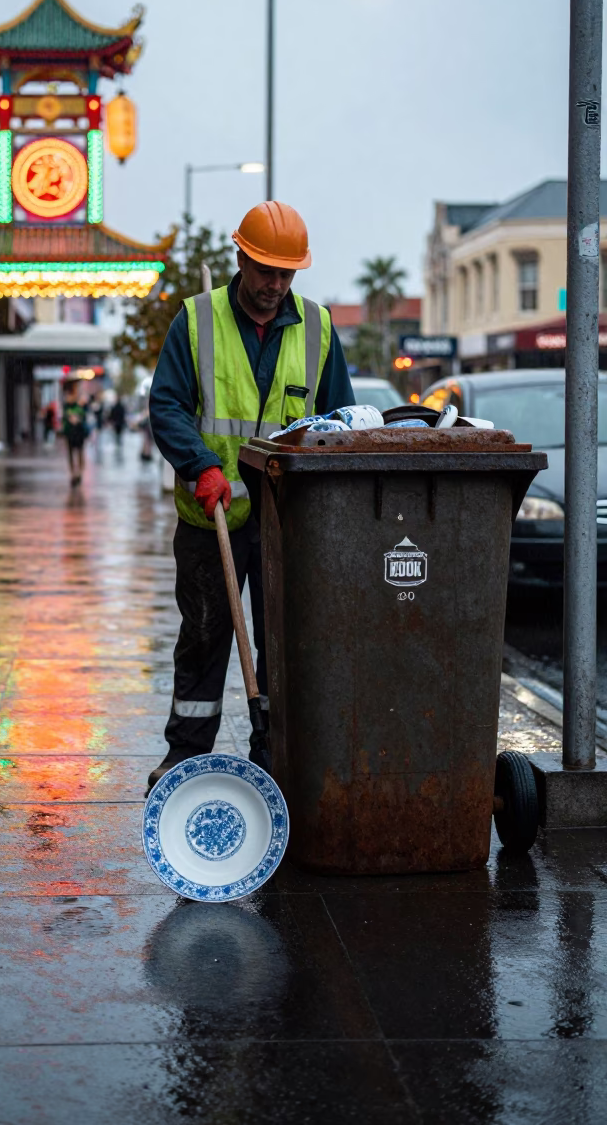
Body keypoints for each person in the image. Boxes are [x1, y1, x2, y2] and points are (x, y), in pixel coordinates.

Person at [147, 201, 355, 789]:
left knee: (284, 648)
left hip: (288, 524)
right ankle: (184, 758)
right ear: (240, 256)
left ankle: (274, 759)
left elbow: (341, 419)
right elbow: (167, 406)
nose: (275, 285)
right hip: (211, 515)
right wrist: (200, 464)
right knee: (206, 638)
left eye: (287, 273)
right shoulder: (196, 320)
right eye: (266, 270)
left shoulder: (316, 328)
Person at [62, 384, 87, 485]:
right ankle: (73, 473)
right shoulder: (65, 408)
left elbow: (82, 419)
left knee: (79, 453)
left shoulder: (79, 407)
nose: (69, 397)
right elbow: (65, 421)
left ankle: (79, 473)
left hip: (78, 434)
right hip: (70, 434)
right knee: (71, 454)